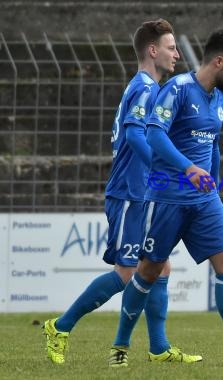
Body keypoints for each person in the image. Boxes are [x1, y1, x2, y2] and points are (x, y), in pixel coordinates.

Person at [108, 29, 223, 367]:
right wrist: (188, 169)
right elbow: (154, 136)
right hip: (167, 197)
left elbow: (213, 144)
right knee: (148, 270)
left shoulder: (220, 98)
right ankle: (120, 346)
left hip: (204, 200)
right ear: (218, 61)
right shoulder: (176, 89)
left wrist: (213, 183)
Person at [43, 19, 201, 365]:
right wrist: (165, 167)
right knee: (127, 273)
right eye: (171, 47)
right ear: (152, 50)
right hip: (130, 192)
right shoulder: (145, 87)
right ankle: (60, 325)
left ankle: (158, 347)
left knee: (161, 267)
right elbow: (132, 135)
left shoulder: (146, 87)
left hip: (140, 190)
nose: (177, 54)